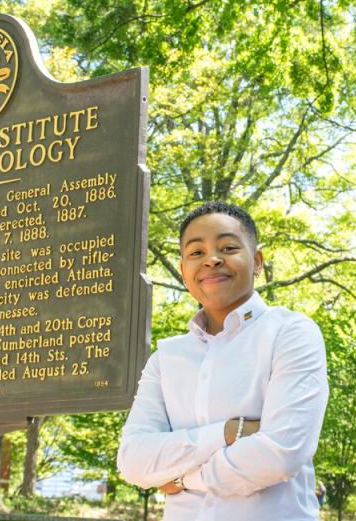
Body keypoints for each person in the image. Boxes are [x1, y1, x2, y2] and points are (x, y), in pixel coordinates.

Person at [118, 201, 329, 521]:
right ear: (183, 270)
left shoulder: (291, 333)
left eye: (228, 247)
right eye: (196, 253)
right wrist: (230, 432)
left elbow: (281, 454)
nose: (212, 260)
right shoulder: (166, 359)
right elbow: (133, 461)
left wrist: (184, 479)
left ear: (257, 261)